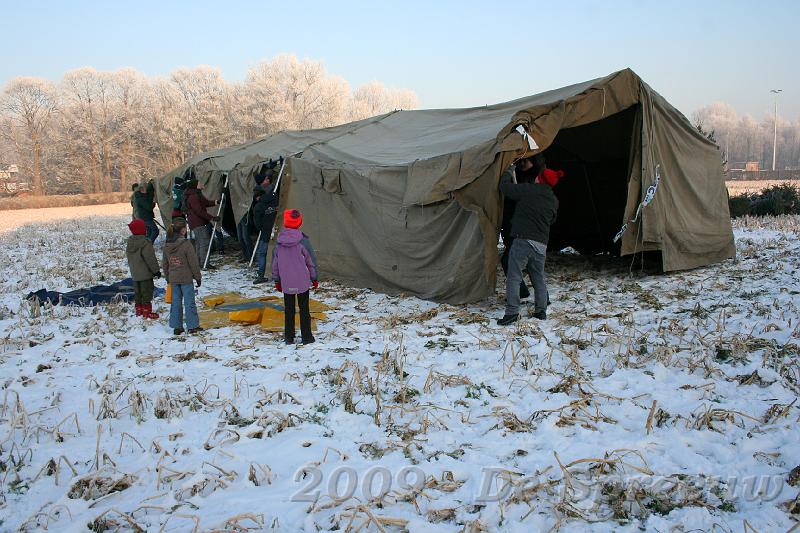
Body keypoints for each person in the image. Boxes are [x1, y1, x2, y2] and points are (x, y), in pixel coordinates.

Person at [497, 156, 562, 325]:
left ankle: (512, 312)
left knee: (514, 276)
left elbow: (505, 188)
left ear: (540, 178)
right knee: (538, 277)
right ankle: (541, 311)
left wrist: (508, 172)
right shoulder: (554, 201)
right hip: (541, 244)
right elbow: (552, 220)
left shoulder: (528, 190)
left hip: (523, 240)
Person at [500, 155, 546, 301]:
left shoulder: (534, 179)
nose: (522, 163)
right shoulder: (526, 176)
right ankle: (537, 297)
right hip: (515, 224)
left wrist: (508, 172)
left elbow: (507, 189)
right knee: (529, 264)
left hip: (523, 228)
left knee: (513, 260)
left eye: (526, 161)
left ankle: (526, 295)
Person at [272, 209, 318, 345]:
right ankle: (307, 337)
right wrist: (314, 278)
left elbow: (275, 264)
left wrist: (277, 280)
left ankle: (289, 337)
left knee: (289, 310)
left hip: (287, 282)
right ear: (300, 223)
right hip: (302, 281)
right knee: (304, 310)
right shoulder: (303, 241)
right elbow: (311, 261)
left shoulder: (279, 242)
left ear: (286, 223)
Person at [162, 218, 202, 335]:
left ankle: (177, 326)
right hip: (186, 279)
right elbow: (193, 262)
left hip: (174, 279)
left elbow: (165, 263)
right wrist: (197, 276)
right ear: (184, 230)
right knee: (189, 303)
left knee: (176, 303)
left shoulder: (167, 245)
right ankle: (193, 326)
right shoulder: (186, 244)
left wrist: (167, 276)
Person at [126, 218, 161, 319]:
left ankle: (139, 310)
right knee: (147, 293)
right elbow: (150, 258)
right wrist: (156, 271)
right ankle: (147, 312)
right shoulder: (145, 242)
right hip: (145, 274)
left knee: (138, 293)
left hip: (135, 274)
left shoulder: (130, 242)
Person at [183, 178, 218, 269]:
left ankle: (199, 262)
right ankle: (204, 262)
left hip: (196, 222)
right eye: (200, 183)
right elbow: (199, 211)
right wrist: (212, 218)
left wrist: (215, 202)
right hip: (197, 222)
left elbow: (204, 203)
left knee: (199, 242)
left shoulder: (196, 194)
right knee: (204, 242)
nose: (202, 183)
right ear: (196, 185)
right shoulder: (193, 196)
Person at [252, 175, 279, 284]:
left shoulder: (258, 207)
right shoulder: (274, 199)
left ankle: (261, 275)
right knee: (278, 253)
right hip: (277, 229)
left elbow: (257, 224)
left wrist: (262, 228)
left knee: (262, 253)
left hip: (266, 232)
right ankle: (278, 275)